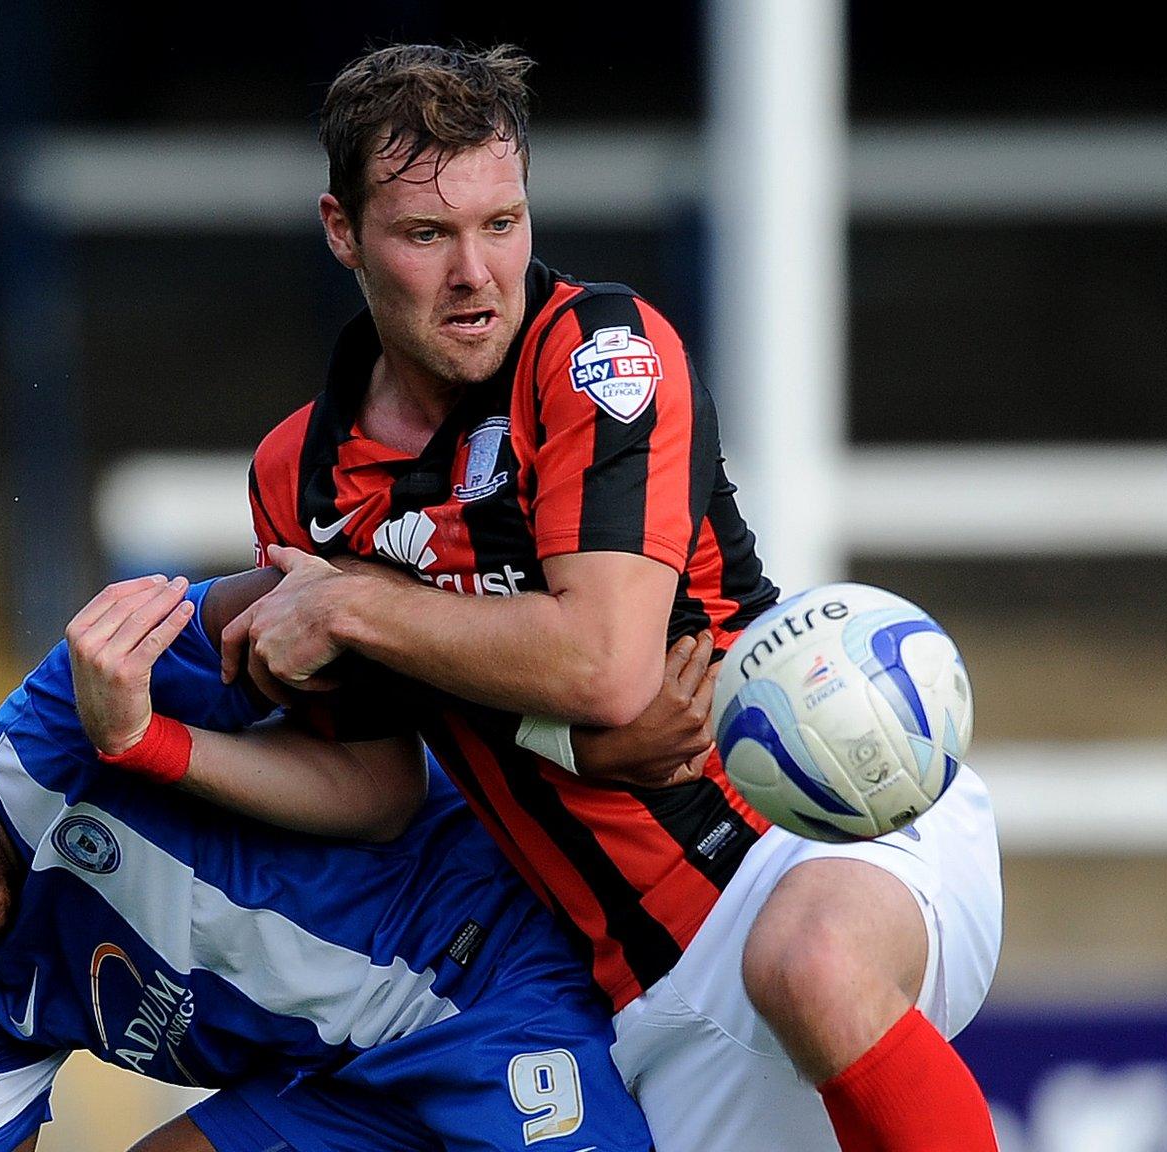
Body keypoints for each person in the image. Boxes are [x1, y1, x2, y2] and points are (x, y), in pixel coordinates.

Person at [202, 44, 1004, 1152]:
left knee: (807, 963)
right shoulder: (296, 475)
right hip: (644, 993)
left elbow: (608, 666)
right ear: (341, 230)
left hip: (811, 833)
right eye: (426, 235)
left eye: (502, 222)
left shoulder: (594, 351)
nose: (476, 272)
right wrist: (147, 747)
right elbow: (375, 787)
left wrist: (351, 605)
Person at [0, 571, 669, 1152]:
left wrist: (567, 734)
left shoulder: (68, 710)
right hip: (347, 1093)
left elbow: (320, 594)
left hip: (489, 978)